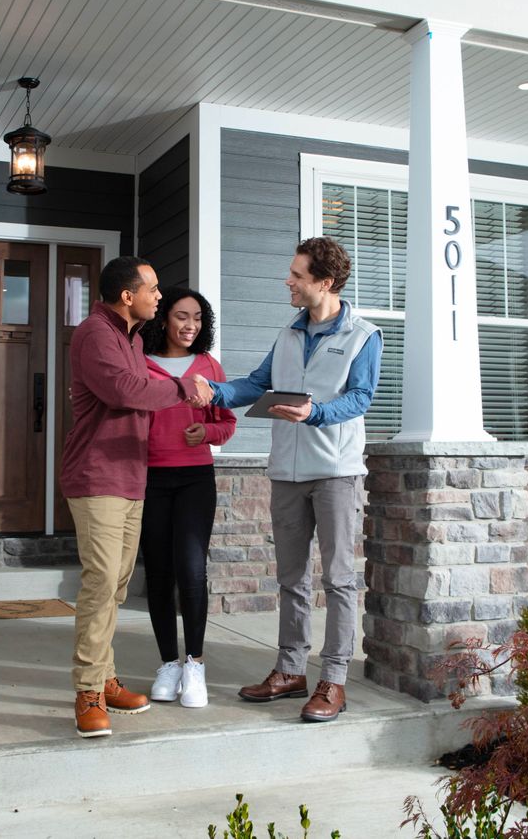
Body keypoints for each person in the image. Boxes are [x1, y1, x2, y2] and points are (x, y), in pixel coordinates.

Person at [198, 237, 382, 723]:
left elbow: (361, 398)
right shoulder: (287, 334)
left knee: (339, 579)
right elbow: (257, 385)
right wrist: (212, 393)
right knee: (291, 579)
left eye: (297, 275)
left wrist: (315, 412)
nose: (288, 281)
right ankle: (290, 669)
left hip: (336, 473)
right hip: (286, 472)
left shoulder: (363, 335)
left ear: (324, 282)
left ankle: (334, 679)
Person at [61, 256, 213, 739]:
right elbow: (126, 389)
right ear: (128, 296)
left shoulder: (128, 337)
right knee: (101, 581)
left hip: (130, 477)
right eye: (152, 289)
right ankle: (87, 692)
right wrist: (181, 387)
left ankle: (104, 679)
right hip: (97, 475)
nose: (159, 297)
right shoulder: (95, 333)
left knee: (118, 585)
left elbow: (142, 387)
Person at [140, 286, 237, 709]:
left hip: (196, 478)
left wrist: (209, 432)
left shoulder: (208, 366)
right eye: (182, 316)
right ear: (164, 319)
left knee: (191, 569)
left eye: (197, 318)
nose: (189, 325)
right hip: (148, 478)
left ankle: (194, 664)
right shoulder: (139, 363)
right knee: (159, 573)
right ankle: (168, 664)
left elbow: (226, 421)